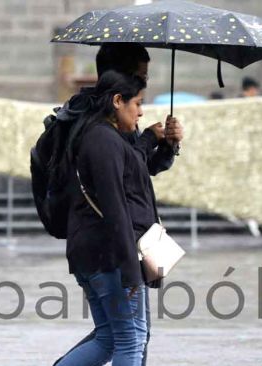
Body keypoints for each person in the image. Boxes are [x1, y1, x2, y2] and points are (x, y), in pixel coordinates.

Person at [54, 43, 182, 366]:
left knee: (116, 336)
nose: (141, 107)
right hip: (108, 250)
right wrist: (130, 272)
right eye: (139, 80)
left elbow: (137, 172)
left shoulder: (111, 129)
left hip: (106, 249)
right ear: (117, 92)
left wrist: (164, 145)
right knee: (131, 338)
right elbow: (116, 206)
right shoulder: (100, 135)